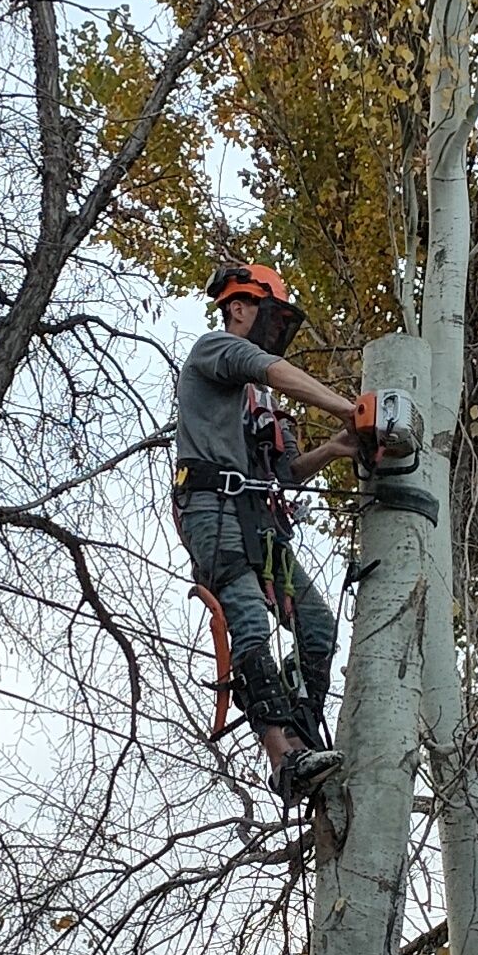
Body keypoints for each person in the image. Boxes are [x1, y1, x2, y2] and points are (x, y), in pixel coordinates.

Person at [174, 261, 359, 805]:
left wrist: (335, 448)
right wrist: (350, 409)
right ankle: (283, 759)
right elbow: (270, 368)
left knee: (318, 625)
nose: (273, 334)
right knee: (250, 619)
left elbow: (286, 473)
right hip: (212, 506)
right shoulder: (215, 351)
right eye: (266, 315)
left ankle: (303, 734)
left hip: (259, 516)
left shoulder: (264, 402)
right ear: (237, 307)